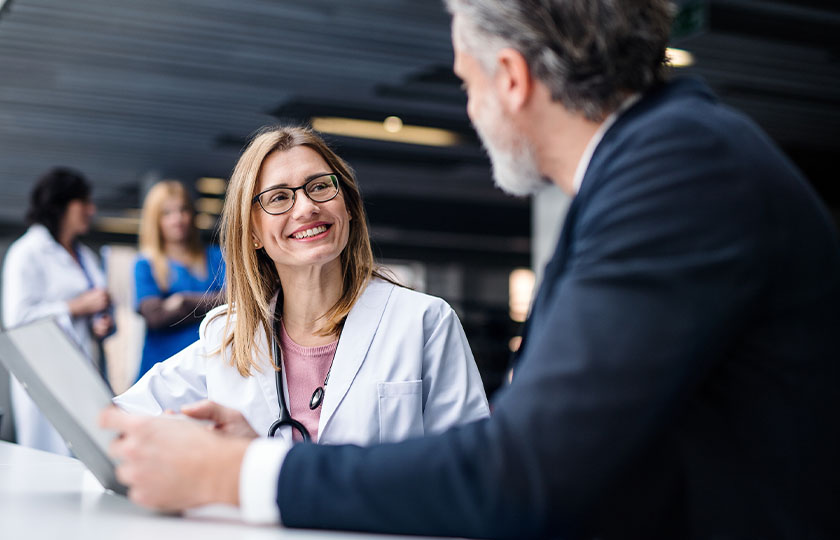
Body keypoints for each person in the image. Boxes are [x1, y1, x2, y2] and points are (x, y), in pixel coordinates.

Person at [101, 1, 840, 537]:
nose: (470, 101)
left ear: (511, 77)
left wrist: (233, 475)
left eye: (466, 79)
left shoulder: (677, 174)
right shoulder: (653, 165)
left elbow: (523, 472)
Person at [113, 126, 489, 448]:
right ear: (254, 232)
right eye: (278, 197)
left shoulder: (424, 321)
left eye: (320, 187)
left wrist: (263, 462)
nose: (306, 207)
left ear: (349, 207)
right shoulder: (227, 335)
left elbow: (472, 472)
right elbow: (115, 422)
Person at [4, 167, 114, 455]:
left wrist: (99, 323)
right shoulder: (26, 253)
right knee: (47, 458)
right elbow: (17, 320)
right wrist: (76, 307)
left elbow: (94, 311)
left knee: (89, 455)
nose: (92, 210)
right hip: (45, 371)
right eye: (84, 202)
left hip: (84, 369)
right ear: (61, 205)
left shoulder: (86, 256)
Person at [133, 180, 225, 380]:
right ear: (155, 220)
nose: (178, 219)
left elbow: (235, 300)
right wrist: (211, 303)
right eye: (167, 213)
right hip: (162, 370)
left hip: (210, 367)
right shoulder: (145, 264)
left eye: (183, 210)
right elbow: (155, 316)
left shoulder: (216, 257)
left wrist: (182, 302)